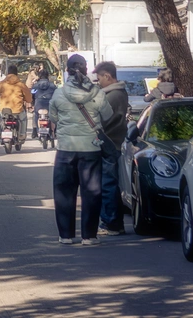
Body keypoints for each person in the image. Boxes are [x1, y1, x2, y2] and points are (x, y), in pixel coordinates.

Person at [49, 54, 113, 246]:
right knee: (91, 192)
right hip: (91, 148)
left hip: (65, 148)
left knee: (64, 192)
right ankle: (89, 236)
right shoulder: (97, 93)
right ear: (86, 70)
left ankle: (66, 235)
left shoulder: (59, 93)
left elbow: (53, 117)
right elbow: (108, 115)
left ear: (66, 71)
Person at [92, 61, 129, 236]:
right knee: (109, 184)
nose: (98, 82)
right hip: (113, 142)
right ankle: (114, 222)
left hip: (108, 142)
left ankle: (110, 223)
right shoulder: (118, 93)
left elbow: (100, 120)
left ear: (107, 76)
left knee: (107, 184)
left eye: (99, 78)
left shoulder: (112, 95)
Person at [0, 65, 32, 145]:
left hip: (4, 110)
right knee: (23, 119)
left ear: (7, 73)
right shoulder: (21, 85)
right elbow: (29, 98)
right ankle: (21, 135)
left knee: (1, 119)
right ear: (16, 73)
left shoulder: (1, 84)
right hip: (17, 110)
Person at [30, 67, 56, 139]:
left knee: (36, 116)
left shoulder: (35, 86)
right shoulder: (52, 86)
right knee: (53, 117)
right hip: (50, 105)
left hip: (38, 104)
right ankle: (53, 131)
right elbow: (56, 96)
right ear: (48, 76)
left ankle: (37, 131)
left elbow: (31, 95)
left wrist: (32, 103)